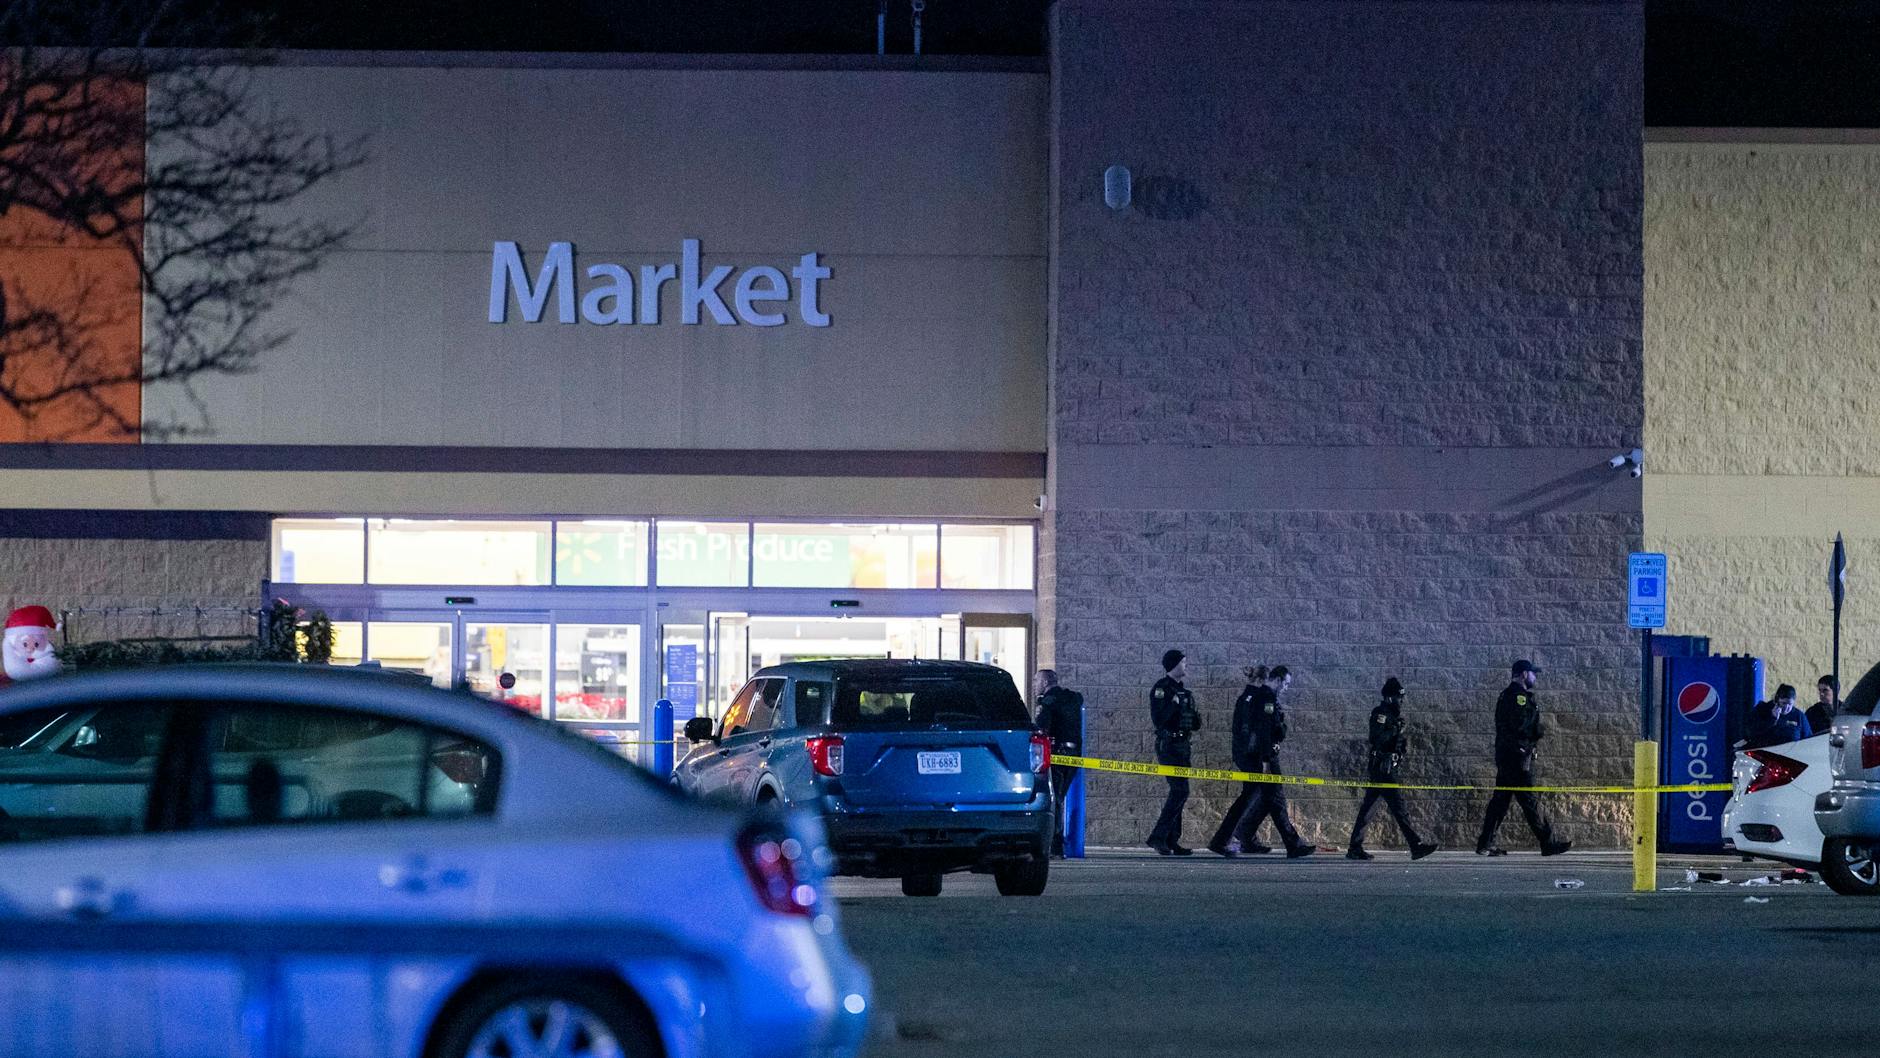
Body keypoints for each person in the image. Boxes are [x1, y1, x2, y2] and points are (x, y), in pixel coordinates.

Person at [1476, 659, 1573, 857]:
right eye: (1532, 673)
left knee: (1500, 802)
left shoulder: (1508, 695)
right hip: (1516, 757)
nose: (1534, 677)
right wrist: (1537, 730)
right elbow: (1520, 725)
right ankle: (1548, 843)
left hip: (1509, 755)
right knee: (1529, 800)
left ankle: (1485, 843)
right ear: (1523, 674)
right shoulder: (1517, 697)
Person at [1347, 677, 1439, 861]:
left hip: (1389, 767)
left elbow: (1397, 743)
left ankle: (1354, 847)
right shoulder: (1380, 714)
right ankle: (1416, 845)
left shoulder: (1394, 717)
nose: (1401, 701)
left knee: (1369, 808)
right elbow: (1376, 738)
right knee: (1399, 808)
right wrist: (1395, 730)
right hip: (1382, 768)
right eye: (1398, 697)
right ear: (1389, 697)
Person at [1231, 665, 1316, 859]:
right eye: (1285, 683)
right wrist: (1267, 761)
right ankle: (1293, 845)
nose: (1286, 688)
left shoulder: (1266, 697)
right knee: (1276, 800)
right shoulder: (1266, 697)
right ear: (1277, 680)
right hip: (1266, 757)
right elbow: (1263, 733)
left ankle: (1245, 832)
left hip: (1265, 756)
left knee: (1268, 799)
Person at [1207, 665, 1274, 857]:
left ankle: (1246, 838)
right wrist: (1265, 759)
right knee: (1249, 797)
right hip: (1253, 755)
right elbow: (1261, 731)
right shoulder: (1260, 698)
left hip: (1242, 752)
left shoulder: (1244, 697)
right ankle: (1222, 840)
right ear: (1263, 680)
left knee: (1256, 795)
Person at [1146, 649, 1201, 856]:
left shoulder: (1185, 692)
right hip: (1168, 745)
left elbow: (1195, 724)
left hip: (1183, 745)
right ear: (1174, 665)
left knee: (1180, 792)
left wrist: (1191, 713)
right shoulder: (1162, 689)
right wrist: (1174, 705)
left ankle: (1171, 840)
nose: (1186, 666)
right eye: (1183, 662)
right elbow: (1159, 719)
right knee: (1180, 791)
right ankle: (1158, 837)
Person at [1033, 669, 1084, 857]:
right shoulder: (1073, 698)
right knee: (1059, 797)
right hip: (1073, 755)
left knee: (1054, 800)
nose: (1035, 684)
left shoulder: (1047, 702)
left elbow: (1040, 728)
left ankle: (1055, 844)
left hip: (1056, 755)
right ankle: (1057, 844)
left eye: (1037, 680)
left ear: (1045, 682)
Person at [1746, 684, 1812, 748]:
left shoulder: (1799, 716)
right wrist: (1772, 719)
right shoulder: (1762, 709)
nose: (1786, 707)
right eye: (1783, 703)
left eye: (1790, 704)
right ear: (1777, 699)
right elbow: (1751, 733)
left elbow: (1808, 740)